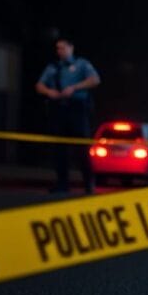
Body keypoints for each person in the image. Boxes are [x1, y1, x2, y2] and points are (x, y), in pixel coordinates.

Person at [35, 38, 101, 194]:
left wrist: (75, 87)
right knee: (59, 149)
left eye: (63, 48)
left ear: (71, 48)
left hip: (77, 108)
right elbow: (39, 85)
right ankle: (62, 184)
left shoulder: (81, 64)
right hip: (59, 109)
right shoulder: (53, 67)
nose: (60, 51)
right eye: (58, 48)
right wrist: (49, 91)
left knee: (82, 148)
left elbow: (95, 80)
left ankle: (88, 183)